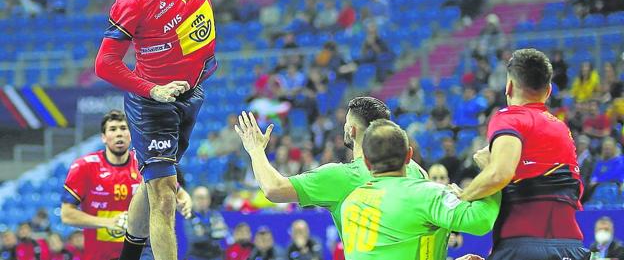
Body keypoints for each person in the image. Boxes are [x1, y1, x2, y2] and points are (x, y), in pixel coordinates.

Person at [93, 0, 215, 260]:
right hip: (153, 103)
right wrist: (153, 91)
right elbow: (105, 64)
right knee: (164, 193)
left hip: (192, 94)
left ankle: (128, 255)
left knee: (151, 185)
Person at [458, 48, 590, 259]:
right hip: (571, 247)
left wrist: (464, 194)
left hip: (522, 245)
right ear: (548, 91)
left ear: (509, 86)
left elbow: (499, 175)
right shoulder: (562, 129)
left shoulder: (509, 118)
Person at [234, 97, 427, 236]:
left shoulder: (339, 176)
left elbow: (273, 189)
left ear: (351, 130)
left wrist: (255, 150)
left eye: (345, 123)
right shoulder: (415, 170)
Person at [341, 119, 500, 259]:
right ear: (409, 156)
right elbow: (481, 220)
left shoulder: (349, 203)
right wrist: (491, 171)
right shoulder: (428, 194)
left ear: (367, 162)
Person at [61, 110, 192, 260]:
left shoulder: (145, 163)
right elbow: (67, 215)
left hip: (143, 251)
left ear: (131, 135)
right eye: (113, 129)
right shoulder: (84, 166)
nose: (119, 134)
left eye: (124, 128)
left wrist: (184, 198)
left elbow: (171, 189)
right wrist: (107, 222)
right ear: (103, 137)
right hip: (100, 255)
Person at [184, 186, 228, 260]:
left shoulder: (216, 215)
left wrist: (204, 231)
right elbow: (195, 238)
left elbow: (222, 233)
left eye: (205, 197)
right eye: (199, 197)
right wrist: (212, 230)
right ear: (192, 199)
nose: (203, 200)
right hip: (196, 256)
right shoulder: (188, 216)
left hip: (215, 256)